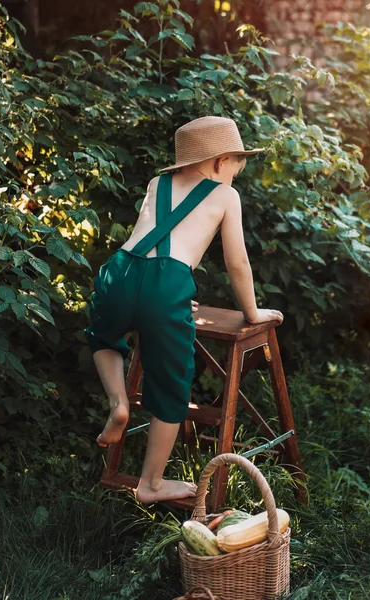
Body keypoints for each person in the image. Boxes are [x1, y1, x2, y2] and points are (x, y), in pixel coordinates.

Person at [84, 116, 284, 503]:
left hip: (121, 272)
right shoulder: (225, 196)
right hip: (168, 285)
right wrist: (253, 312)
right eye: (234, 169)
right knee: (172, 385)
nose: (233, 179)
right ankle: (151, 484)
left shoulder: (157, 184)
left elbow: (152, 246)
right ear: (218, 161)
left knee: (102, 336)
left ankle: (118, 402)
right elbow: (237, 264)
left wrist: (160, 296)